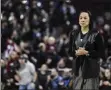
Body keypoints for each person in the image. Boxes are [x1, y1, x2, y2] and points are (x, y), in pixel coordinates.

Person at [68, 10, 106, 90]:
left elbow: (102, 53)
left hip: (91, 70)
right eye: (80, 18)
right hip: (77, 70)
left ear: (90, 20)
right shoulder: (73, 34)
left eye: (85, 18)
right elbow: (70, 52)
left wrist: (87, 52)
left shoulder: (96, 34)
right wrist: (76, 53)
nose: (82, 20)